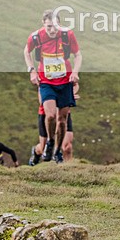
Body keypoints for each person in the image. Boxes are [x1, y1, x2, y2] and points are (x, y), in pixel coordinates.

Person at [23, 9, 81, 164]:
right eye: (49, 27)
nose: (52, 30)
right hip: (46, 81)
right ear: (43, 24)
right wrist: (32, 71)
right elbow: (26, 52)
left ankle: (57, 152)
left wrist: (75, 72)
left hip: (64, 82)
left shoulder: (67, 35)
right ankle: (50, 142)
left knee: (62, 119)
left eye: (55, 26)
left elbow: (78, 55)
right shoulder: (35, 37)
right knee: (50, 116)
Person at [29, 83, 77, 165]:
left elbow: (75, 84)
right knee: (43, 148)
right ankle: (36, 152)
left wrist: (71, 94)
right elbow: (41, 96)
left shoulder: (66, 72)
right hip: (46, 114)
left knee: (67, 147)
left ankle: (68, 169)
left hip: (63, 114)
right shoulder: (44, 74)